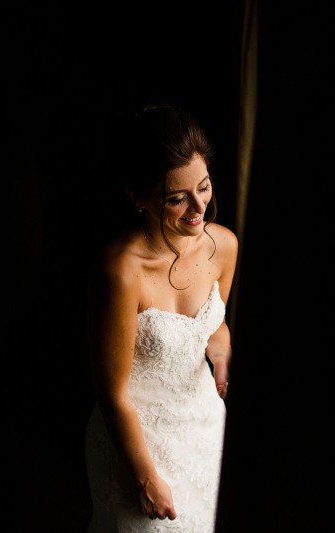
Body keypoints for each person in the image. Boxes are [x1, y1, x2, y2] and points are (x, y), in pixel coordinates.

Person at [83, 101, 238, 532]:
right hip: (138, 442)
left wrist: (221, 353)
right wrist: (146, 477)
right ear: (137, 196)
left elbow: (213, 323)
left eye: (204, 187)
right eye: (176, 198)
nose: (197, 209)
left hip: (205, 432)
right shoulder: (120, 271)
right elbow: (110, 392)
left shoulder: (224, 247)